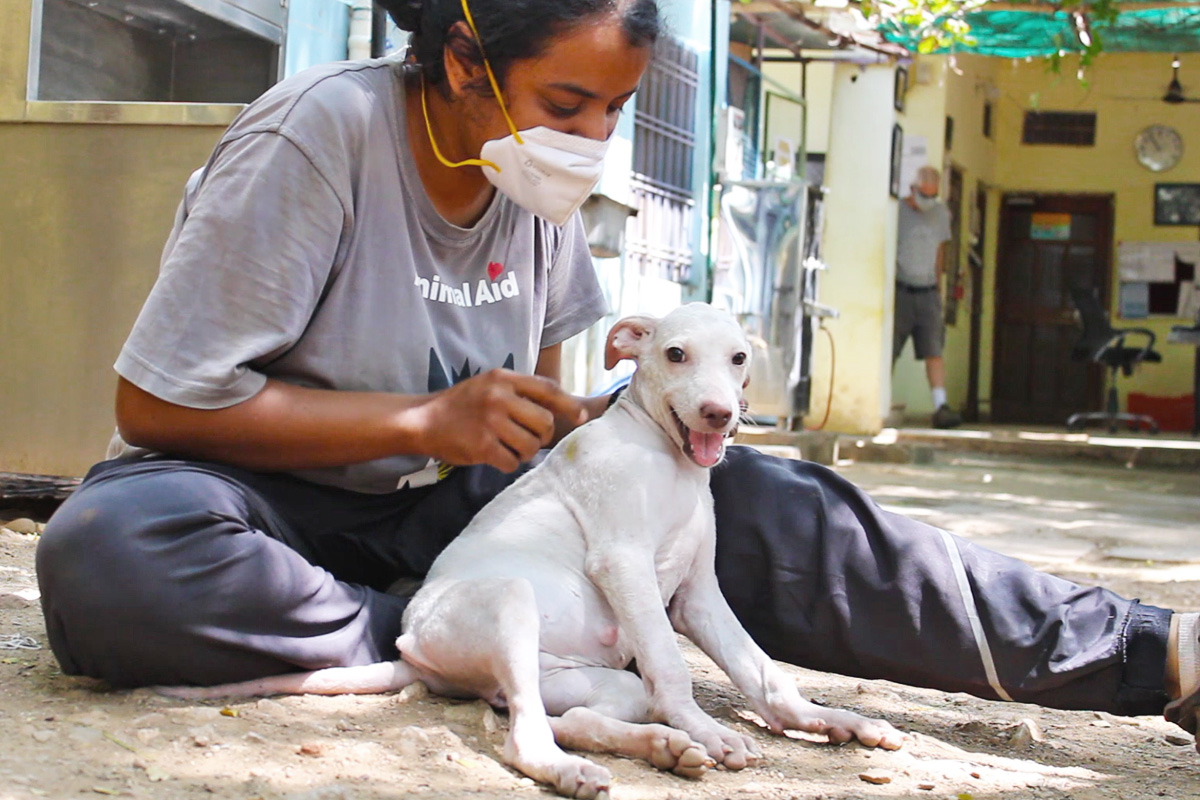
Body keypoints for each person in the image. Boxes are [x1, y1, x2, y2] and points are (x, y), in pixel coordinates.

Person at [34, 0, 1200, 750]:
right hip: (258, 508)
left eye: (618, 110)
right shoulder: (320, 136)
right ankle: (450, 642)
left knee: (744, 493)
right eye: (566, 104)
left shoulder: (534, 189)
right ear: (461, 59)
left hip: (460, 520)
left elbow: (551, 429)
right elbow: (159, 402)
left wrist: (621, 443)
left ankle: (1157, 654)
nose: (593, 140)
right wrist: (428, 417)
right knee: (107, 554)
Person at [894, 165, 962, 429]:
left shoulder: (941, 213)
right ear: (913, 189)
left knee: (934, 350)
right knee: (890, 349)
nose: (927, 201)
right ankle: (880, 403)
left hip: (928, 291)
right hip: (901, 289)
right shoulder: (898, 211)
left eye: (932, 196)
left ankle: (940, 406)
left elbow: (940, 252)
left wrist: (939, 289)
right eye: (924, 194)